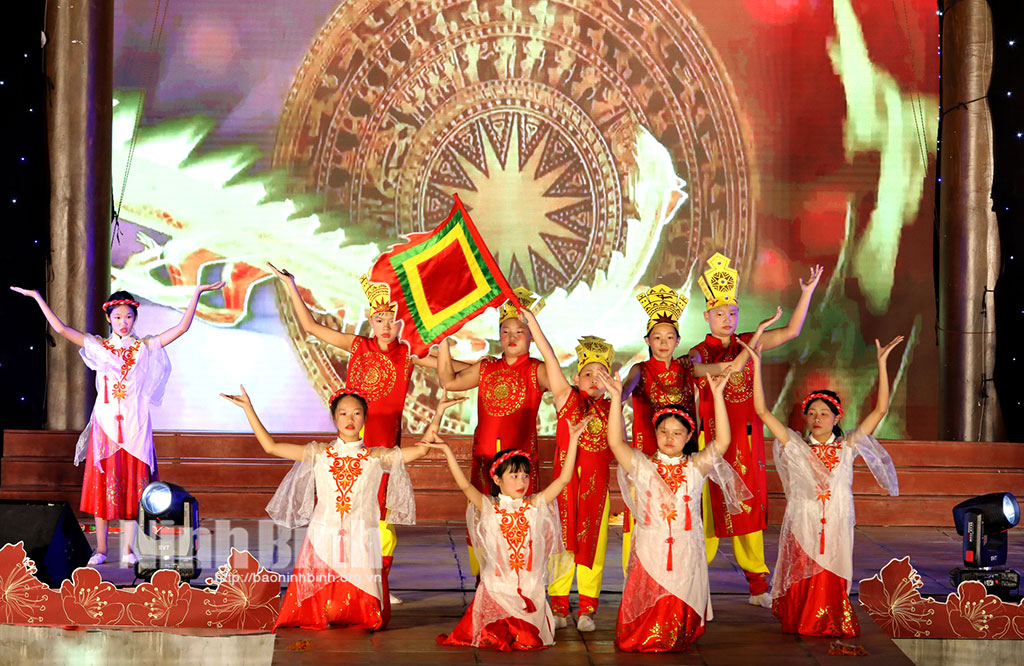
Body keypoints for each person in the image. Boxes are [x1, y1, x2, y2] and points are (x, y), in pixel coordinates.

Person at [267, 263, 468, 602]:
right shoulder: (358, 346)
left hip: (384, 447)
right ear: (370, 321)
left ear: (399, 322)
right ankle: (340, 581)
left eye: (391, 320)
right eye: (379, 320)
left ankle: (377, 583)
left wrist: (484, 360)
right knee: (344, 515)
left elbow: (455, 370)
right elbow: (311, 327)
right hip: (351, 448)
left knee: (380, 519)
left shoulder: (408, 354)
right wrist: (290, 286)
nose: (386, 327)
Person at [10, 283, 223, 566]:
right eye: (119, 317)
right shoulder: (99, 346)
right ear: (109, 318)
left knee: (133, 488)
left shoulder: (144, 346)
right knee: (103, 486)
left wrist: (196, 294)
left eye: (129, 317)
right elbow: (62, 330)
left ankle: (128, 551)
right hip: (105, 426)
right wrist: (37, 297)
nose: (124, 323)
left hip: (135, 427)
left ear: (135, 318)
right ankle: (100, 549)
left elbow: (182, 328)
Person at [221, 385, 464, 630]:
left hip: (361, 533)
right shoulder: (320, 453)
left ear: (365, 418)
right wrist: (248, 409)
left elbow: (421, 449)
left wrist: (439, 411)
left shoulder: (375, 456)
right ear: (334, 417)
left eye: (357, 413)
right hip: (323, 532)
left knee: (362, 594)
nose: (350, 419)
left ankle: (356, 614)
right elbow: (271, 447)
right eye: (343, 413)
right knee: (323, 594)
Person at [741, 336, 901, 636]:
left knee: (833, 570)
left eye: (823, 413)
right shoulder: (795, 444)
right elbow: (762, 412)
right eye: (811, 413)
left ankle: (831, 619)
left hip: (837, 521)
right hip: (804, 520)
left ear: (836, 416)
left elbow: (880, 411)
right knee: (804, 570)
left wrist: (881, 364)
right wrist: (756, 366)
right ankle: (804, 619)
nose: (817, 418)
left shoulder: (847, 446)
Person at [688, 252, 823, 606]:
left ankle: (757, 585)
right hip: (714, 442)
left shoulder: (750, 339)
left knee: (747, 508)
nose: (727, 319)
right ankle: (692, 580)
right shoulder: (697, 352)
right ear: (707, 316)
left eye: (732, 312)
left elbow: (793, 330)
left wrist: (807, 293)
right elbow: (711, 372)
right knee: (709, 510)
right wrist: (755, 339)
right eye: (720, 314)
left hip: (747, 440)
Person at [600, 367, 750, 652]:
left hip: (686, 548)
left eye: (677, 433)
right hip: (650, 546)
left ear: (688, 435)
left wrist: (718, 396)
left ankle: (676, 634)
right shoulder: (642, 465)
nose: (669, 438)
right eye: (664, 431)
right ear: (655, 432)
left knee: (680, 592)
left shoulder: (695, 467)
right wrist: (616, 400)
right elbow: (615, 442)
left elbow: (723, 442)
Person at [619, 283, 756, 571]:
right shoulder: (639, 371)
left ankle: (681, 575)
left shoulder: (687, 368)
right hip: (648, 458)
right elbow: (623, 392)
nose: (664, 342)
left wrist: (756, 339)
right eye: (657, 337)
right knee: (644, 520)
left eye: (670, 336)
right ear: (648, 339)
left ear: (679, 339)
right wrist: (615, 393)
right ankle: (639, 578)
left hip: (683, 460)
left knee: (682, 520)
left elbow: (727, 368)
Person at [432, 417, 590, 650]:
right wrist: (447, 452)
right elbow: (466, 487)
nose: (521, 481)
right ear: (497, 479)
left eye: (525, 476)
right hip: (498, 586)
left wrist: (574, 439)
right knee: (492, 637)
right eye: (514, 476)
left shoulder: (534, 504)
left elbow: (565, 479)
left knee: (528, 641)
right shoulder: (490, 506)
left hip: (529, 586)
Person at [437, 287, 551, 579]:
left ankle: (521, 579)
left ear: (531, 336)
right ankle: (483, 581)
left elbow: (562, 386)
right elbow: (448, 380)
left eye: (521, 331)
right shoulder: (487, 367)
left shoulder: (537, 370)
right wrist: (444, 343)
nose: (512, 338)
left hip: (519, 467)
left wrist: (538, 330)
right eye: (506, 331)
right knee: (482, 520)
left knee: (520, 524)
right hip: (485, 460)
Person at [519, 309, 613, 631]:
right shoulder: (566, 400)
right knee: (561, 545)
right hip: (565, 486)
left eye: (602, 374)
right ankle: (558, 606)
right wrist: (533, 325)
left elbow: (622, 447)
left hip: (597, 491)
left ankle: (587, 608)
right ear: (576, 378)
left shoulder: (613, 409)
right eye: (589, 373)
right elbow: (548, 356)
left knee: (593, 547)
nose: (594, 379)